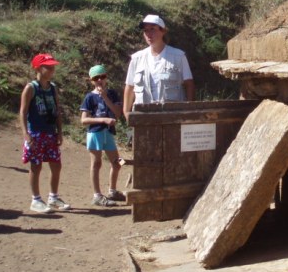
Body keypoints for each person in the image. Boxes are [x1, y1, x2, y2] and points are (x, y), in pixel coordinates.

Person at [19, 53, 71, 214]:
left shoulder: (53, 88)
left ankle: (53, 197)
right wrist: (25, 133)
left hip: (50, 132)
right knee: (36, 166)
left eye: (52, 66)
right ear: (37, 68)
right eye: (47, 66)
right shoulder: (31, 88)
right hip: (35, 132)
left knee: (56, 165)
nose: (51, 69)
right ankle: (36, 200)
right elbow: (22, 112)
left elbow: (57, 111)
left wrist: (60, 132)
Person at [123, 14, 195, 122]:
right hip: (142, 119)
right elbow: (129, 88)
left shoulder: (178, 56)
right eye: (146, 30)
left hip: (172, 118)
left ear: (163, 31)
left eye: (153, 29)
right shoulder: (137, 59)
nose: (149, 34)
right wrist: (127, 114)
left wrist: (188, 113)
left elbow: (189, 85)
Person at [80, 64, 124, 207]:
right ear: (91, 80)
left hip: (108, 133)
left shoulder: (111, 94)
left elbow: (117, 113)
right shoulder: (89, 97)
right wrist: (103, 120)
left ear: (106, 78)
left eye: (102, 77)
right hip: (95, 133)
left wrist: (105, 98)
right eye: (96, 78)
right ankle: (97, 195)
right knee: (96, 163)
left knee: (117, 162)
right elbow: (84, 120)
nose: (100, 80)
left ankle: (112, 191)